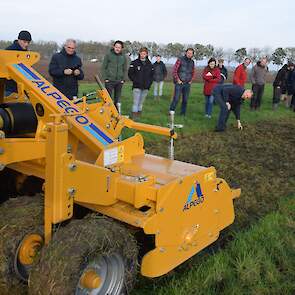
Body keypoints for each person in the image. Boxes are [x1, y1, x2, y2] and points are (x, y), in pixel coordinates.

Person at [128, 47, 153, 119]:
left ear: (146, 54)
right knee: (136, 102)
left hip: (146, 87)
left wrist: (149, 84)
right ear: (139, 53)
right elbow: (130, 74)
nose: (143, 55)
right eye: (141, 53)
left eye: (144, 54)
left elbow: (152, 76)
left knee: (141, 102)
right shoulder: (134, 63)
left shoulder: (150, 64)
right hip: (137, 86)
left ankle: (139, 115)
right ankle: (134, 117)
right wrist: (135, 80)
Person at [5, 30, 32, 96]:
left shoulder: (26, 53)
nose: (26, 44)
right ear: (19, 40)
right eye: (24, 42)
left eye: (28, 42)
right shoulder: (9, 51)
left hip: (23, 88)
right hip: (10, 88)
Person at [102, 40, 128, 108]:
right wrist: (105, 78)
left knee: (117, 99)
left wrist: (123, 79)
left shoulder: (123, 57)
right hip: (109, 80)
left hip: (119, 81)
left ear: (121, 48)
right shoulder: (108, 55)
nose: (117, 48)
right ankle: (107, 113)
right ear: (114, 47)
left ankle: (116, 114)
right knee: (108, 99)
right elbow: (103, 67)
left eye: (119, 47)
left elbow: (125, 69)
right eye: (116, 47)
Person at [169, 48, 195, 115]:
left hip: (187, 83)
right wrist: (178, 80)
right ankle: (171, 111)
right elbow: (174, 70)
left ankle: (183, 113)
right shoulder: (180, 59)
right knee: (176, 98)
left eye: (191, 53)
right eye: (188, 53)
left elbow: (193, 72)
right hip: (179, 82)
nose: (189, 54)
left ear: (192, 55)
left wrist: (191, 80)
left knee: (185, 99)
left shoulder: (192, 62)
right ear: (186, 53)